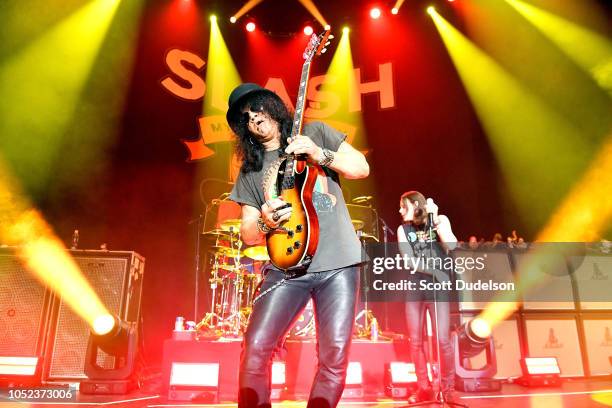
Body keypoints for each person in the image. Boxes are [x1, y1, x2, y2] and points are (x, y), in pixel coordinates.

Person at [226, 83, 369, 408]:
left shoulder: (314, 133)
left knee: (334, 356)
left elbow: (361, 167)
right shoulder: (249, 171)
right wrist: (264, 222)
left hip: (338, 264)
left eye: (257, 109)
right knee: (256, 347)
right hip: (285, 268)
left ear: (272, 106)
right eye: (246, 118)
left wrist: (319, 154)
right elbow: (248, 232)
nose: (255, 120)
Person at [397, 191, 458, 403]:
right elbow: (409, 260)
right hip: (415, 285)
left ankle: (447, 387)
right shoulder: (403, 229)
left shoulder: (439, 221)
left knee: (443, 339)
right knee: (415, 341)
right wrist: (435, 271)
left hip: (438, 287)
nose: (400, 211)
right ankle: (424, 387)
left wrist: (438, 223)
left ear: (415, 205)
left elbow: (452, 246)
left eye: (403, 206)